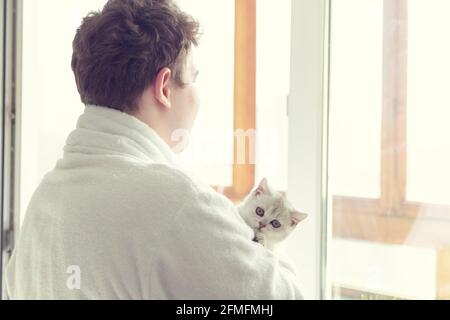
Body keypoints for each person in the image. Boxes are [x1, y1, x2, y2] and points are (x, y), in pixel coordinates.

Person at [6, 0, 303, 299]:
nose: (198, 99)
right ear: (164, 88)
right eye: (193, 80)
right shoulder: (178, 202)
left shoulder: (42, 203)